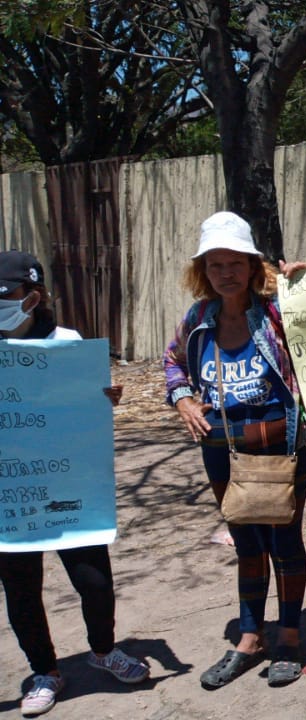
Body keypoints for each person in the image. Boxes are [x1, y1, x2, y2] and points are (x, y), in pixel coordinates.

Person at [163, 212, 306, 689]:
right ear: (202, 271)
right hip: (221, 450)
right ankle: (250, 639)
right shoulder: (197, 319)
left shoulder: (276, 313)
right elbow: (172, 363)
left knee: (284, 544)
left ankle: (288, 637)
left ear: (252, 266)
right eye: (214, 264)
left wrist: (304, 288)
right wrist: (182, 397)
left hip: (277, 446)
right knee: (246, 543)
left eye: (234, 263)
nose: (224, 272)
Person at [0, 251, 149, 716]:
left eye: (5, 295)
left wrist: (105, 396)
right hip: (11, 496)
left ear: (32, 297)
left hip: (71, 489)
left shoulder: (66, 342)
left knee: (94, 581)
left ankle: (103, 650)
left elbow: (86, 407)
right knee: (22, 591)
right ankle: (45, 671)